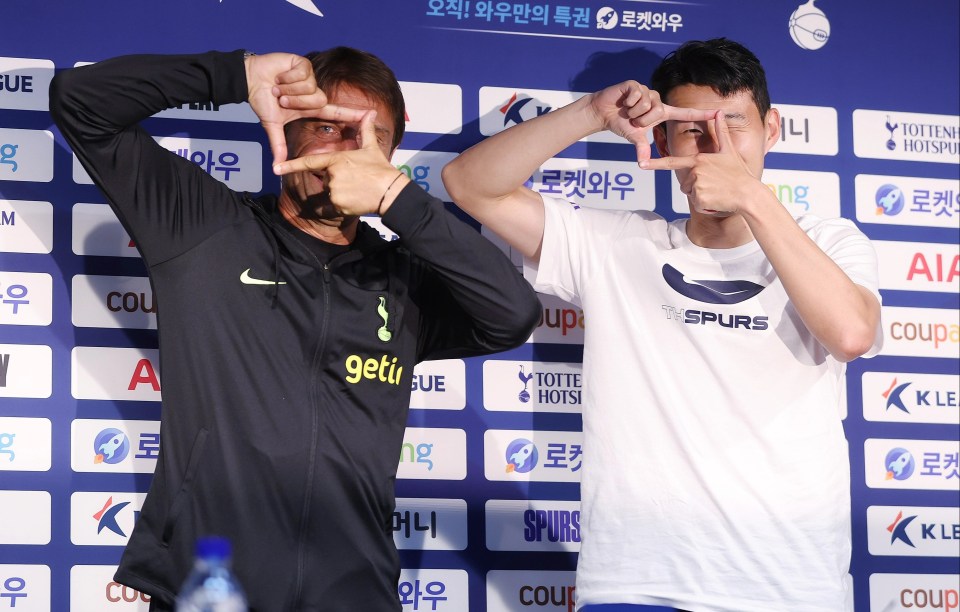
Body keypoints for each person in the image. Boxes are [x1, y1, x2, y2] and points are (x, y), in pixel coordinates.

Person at [50, 47, 540, 610]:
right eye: (328, 126)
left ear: (391, 153)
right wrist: (235, 75)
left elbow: (513, 314)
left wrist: (399, 202)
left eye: (368, 135)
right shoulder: (204, 226)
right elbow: (78, 101)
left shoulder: (405, 280)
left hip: (356, 593)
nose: (347, 149)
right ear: (286, 128)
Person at [440, 38, 883, 611]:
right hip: (638, 584)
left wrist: (751, 197)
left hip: (790, 587)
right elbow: (470, 185)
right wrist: (591, 114)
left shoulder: (830, 242)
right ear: (664, 137)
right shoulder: (619, 243)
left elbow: (851, 334)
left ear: (772, 129)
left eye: (733, 124)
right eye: (692, 127)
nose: (714, 146)